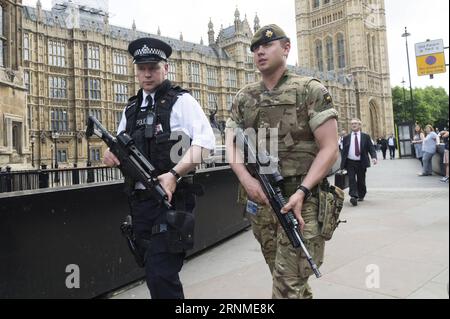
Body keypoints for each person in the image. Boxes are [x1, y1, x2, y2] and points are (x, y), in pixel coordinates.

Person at [225, 24, 339, 299]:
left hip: (304, 202)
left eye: (267, 45)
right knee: (289, 281)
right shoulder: (244, 97)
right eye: (254, 49)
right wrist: (247, 180)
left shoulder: (310, 90)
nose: (259, 52)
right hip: (262, 202)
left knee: (287, 286)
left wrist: (303, 191)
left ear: (286, 48)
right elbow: (231, 145)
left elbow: (329, 147)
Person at [103, 37, 215, 299]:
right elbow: (120, 146)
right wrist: (110, 154)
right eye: (142, 68)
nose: (147, 73)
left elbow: (206, 142)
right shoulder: (131, 108)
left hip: (172, 201)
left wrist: (175, 175)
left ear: (166, 68)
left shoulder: (181, 101)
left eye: (153, 67)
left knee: (160, 273)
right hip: (140, 203)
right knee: (152, 270)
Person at [340, 119, 378, 206]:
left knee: (361, 180)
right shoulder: (346, 138)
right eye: (352, 124)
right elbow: (343, 151)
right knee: (351, 179)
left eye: (355, 123)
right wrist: (342, 164)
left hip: (361, 162)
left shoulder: (365, 136)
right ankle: (353, 196)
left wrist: (374, 157)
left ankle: (361, 194)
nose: (354, 125)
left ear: (359, 125)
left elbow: (371, 148)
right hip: (350, 162)